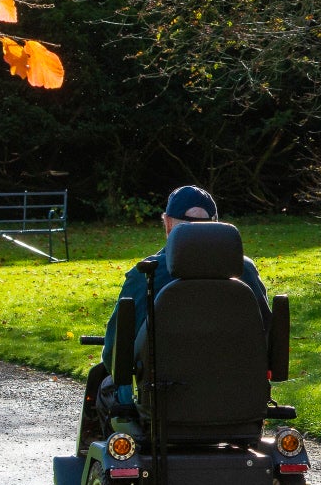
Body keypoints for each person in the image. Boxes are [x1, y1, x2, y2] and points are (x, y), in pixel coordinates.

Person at [83, 185, 268, 440]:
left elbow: (114, 353)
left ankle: (115, 459)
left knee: (105, 386)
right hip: (239, 403)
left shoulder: (146, 275)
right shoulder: (244, 273)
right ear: (215, 225)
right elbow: (266, 338)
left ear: (168, 224)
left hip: (161, 407)